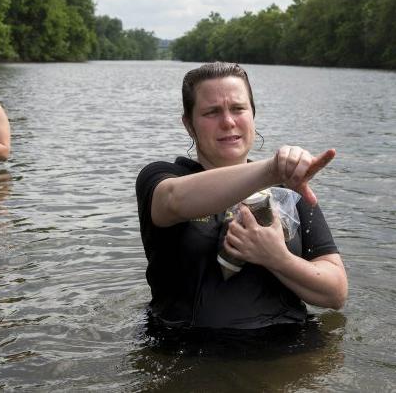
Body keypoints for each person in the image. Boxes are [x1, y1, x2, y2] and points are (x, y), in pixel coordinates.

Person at [136, 62, 347, 330]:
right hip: (193, 357)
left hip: (290, 351)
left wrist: (277, 258)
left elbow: (336, 293)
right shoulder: (163, 178)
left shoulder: (289, 187)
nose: (228, 122)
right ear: (189, 125)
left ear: (252, 115)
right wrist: (271, 170)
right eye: (212, 112)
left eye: (238, 109)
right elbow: (173, 200)